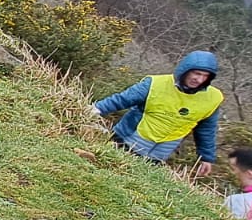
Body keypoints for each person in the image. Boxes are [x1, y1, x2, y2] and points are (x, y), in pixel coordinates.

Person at [93, 50, 223, 175]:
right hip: (126, 141)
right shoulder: (155, 84)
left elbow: (206, 129)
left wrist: (206, 157)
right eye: (196, 73)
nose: (199, 79)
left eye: (205, 76)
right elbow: (122, 99)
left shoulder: (213, 98)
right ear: (185, 70)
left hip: (159, 155)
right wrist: (95, 109)